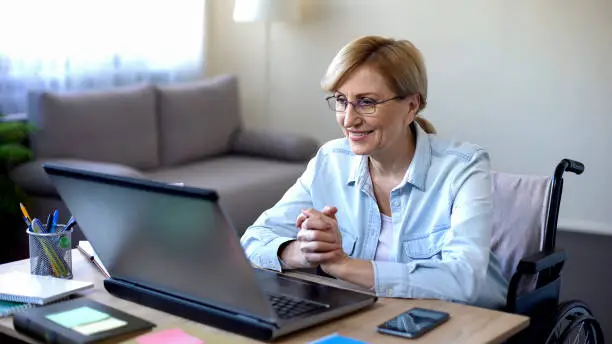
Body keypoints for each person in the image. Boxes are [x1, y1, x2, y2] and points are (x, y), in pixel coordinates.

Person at [240, 35, 508, 309]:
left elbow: (463, 279)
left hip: (464, 321)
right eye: (342, 100)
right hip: (368, 316)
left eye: (367, 102)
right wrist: (305, 252)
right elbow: (252, 240)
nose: (349, 119)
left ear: (411, 106)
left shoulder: (464, 166)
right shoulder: (330, 160)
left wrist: (342, 266)